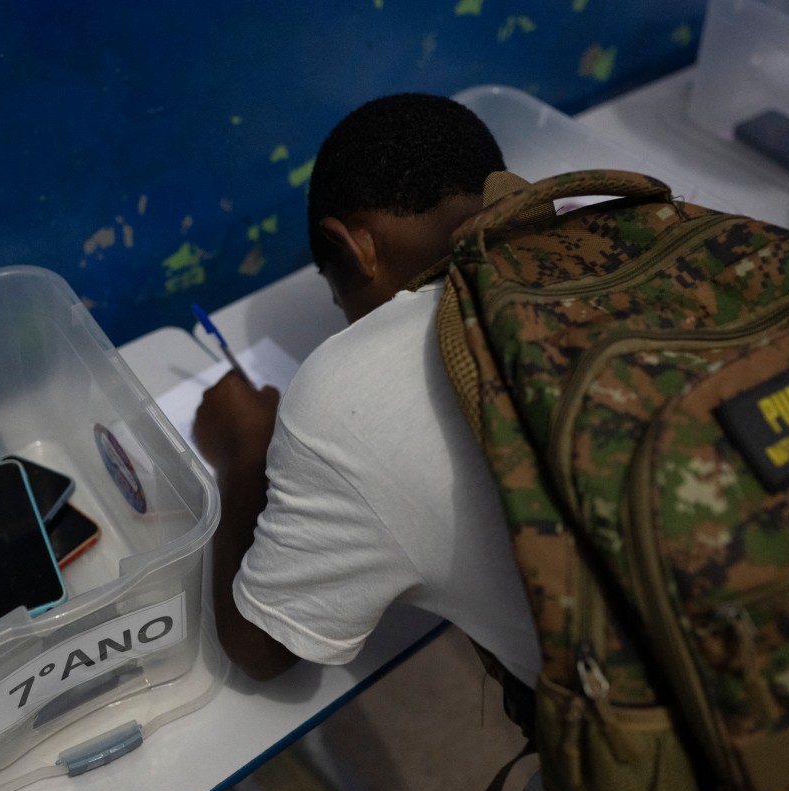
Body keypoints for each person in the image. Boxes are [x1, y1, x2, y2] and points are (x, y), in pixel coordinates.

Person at [192, 93, 542, 706]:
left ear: (353, 247)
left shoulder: (349, 394)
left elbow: (260, 650)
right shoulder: (609, 229)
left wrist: (246, 454)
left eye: (338, 301)